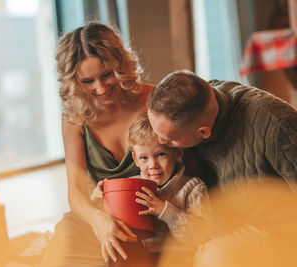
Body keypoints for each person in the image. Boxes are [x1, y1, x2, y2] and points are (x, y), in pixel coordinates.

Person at [39, 21, 155, 266]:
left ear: (121, 65)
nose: (101, 88)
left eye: (107, 74)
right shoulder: (74, 118)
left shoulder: (153, 100)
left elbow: (184, 166)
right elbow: (76, 192)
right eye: (88, 81)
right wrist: (99, 221)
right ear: (74, 81)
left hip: (153, 213)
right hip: (98, 215)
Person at [147, 69, 297, 191]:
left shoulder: (276, 124)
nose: (160, 141)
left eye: (169, 138)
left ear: (203, 132)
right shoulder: (198, 103)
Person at [91, 111, 210, 257]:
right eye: (144, 158)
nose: (153, 165)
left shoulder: (193, 188)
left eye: (161, 155)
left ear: (177, 153)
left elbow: (202, 236)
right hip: (141, 255)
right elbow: (104, 222)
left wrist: (164, 211)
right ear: (135, 159)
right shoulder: (130, 188)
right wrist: (99, 197)